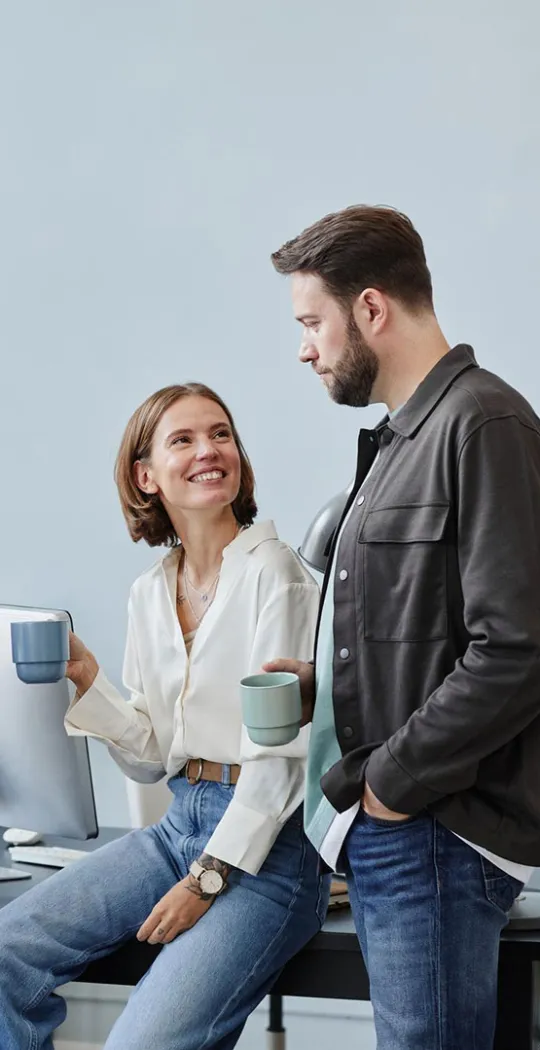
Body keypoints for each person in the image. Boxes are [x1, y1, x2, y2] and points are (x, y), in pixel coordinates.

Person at [265, 205, 540, 1050]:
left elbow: (518, 650)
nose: (304, 347)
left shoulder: (483, 425)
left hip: (432, 833)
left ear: (372, 309)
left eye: (314, 321)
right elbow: (422, 631)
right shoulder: (401, 440)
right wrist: (324, 689)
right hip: (406, 831)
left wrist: (388, 784)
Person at [0, 382, 329, 1050]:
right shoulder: (149, 593)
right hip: (178, 824)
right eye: (183, 439)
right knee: (7, 952)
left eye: (221, 434)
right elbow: (155, 755)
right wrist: (91, 682)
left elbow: (281, 764)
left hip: (270, 855)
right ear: (145, 476)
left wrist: (207, 880)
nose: (210, 450)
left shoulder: (280, 577)